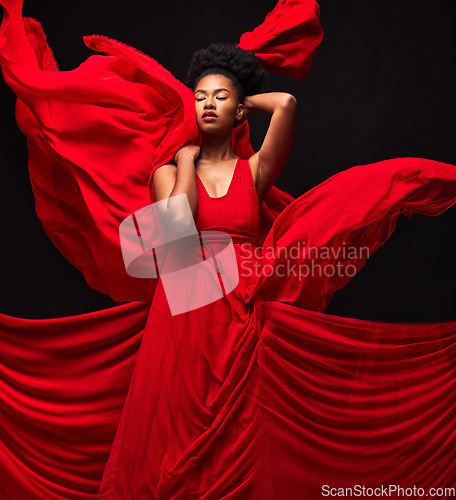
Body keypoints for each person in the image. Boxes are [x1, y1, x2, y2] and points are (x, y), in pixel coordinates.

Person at [1, 0, 456, 499]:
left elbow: (286, 104)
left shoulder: (254, 173)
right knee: (175, 435)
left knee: (246, 433)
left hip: (247, 312)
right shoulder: (167, 173)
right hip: (184, 319)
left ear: (239, 109)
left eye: (220, 99)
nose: (208, 105)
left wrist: (238, 83)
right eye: (199, 98)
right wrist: (185, 157)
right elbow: (174, 255)